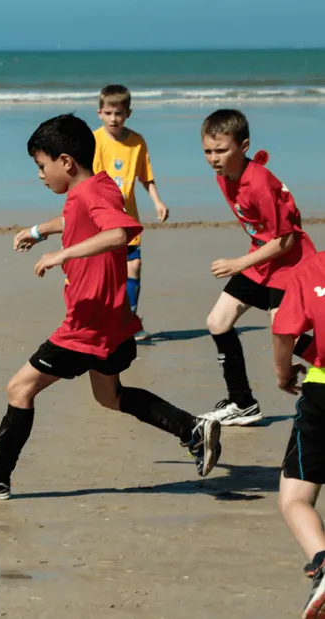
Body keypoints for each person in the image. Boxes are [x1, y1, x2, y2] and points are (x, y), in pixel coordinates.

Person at [0, 114, 221, 500]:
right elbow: (76, 216)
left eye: (42, 166)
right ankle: (190, 428)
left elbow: (118, 233)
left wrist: (63, 254)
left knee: (19, 388)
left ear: (66, 162)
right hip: (113, 320)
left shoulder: (91, 194)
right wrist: (39, 231)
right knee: (109, 397)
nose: (40, 175)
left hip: (87, 326)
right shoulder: (96, 186)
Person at [199, 109, 317, 426]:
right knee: (217, 321)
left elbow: (287, 240)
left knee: (284, 334)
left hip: (291, 265)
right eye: (208, 151)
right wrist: (249, 262)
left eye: (221, 150)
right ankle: (242, 403)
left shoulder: (261, 184)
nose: (214, 158)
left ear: (244, 145)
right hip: (261, 261)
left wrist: (238, 263)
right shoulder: (223, 175)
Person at [92, 84, 170, 341]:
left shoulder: (137, 142)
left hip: (128, 220)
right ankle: (103, 322)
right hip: (101, 220)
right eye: (108, 112)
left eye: (119, 113)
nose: (114, 118)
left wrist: (157, 201)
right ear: (99, 113)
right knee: (105, 275)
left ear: (128, 113)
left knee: (133, 267)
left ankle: (130, 324)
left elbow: (145, 177)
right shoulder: (94, 141)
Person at [271, 250, 325, 619]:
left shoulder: (315, 267)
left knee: (295, 497)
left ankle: (323, 563)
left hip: (323, 391)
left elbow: (283, 327)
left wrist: (283, 372)